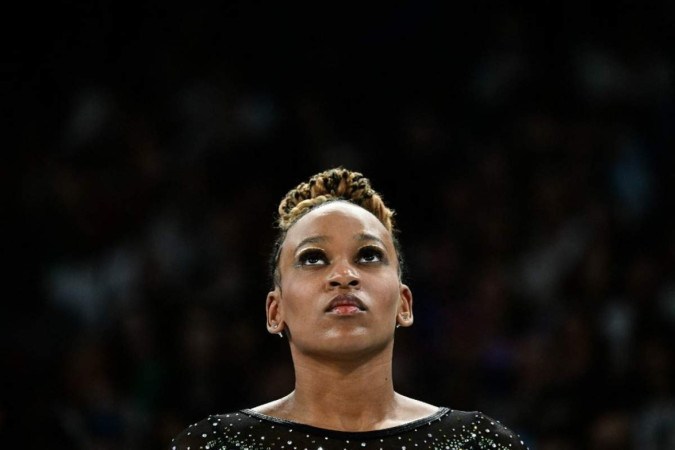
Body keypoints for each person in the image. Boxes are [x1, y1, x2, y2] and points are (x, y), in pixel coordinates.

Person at [170, 167, 529, 450]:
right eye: (313, 258)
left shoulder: (478, 442)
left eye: (369, 255)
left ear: (404, 304)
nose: (344, 275)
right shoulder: (214, 444)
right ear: (275, 311)